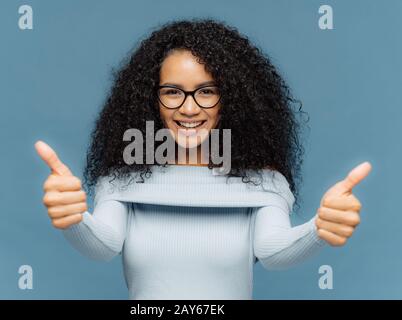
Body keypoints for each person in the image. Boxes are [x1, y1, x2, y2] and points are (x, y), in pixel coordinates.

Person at [35, 19, 371, 299]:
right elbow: (103, 246)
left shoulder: (264, 181)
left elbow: (274, 252)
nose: (190, 107)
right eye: (172, 91)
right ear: (150, 99)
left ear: (233, 99)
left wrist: (319, 229)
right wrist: (73, 219)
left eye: (207, 91)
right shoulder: (123, 179)